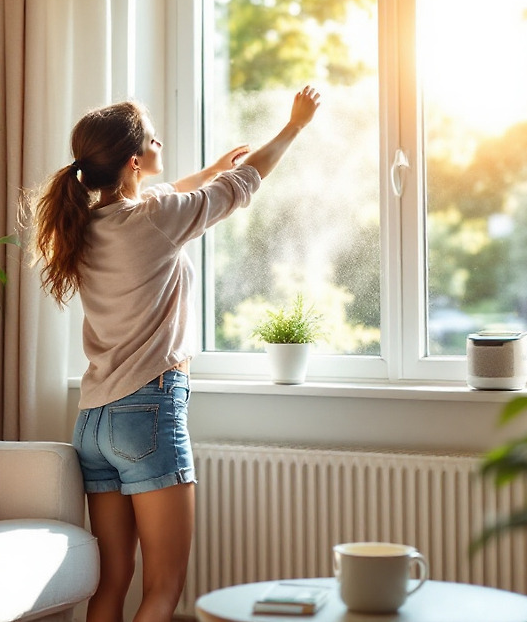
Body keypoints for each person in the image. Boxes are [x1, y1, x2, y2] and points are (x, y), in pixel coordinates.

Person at [29, 86, 320, 622]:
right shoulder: (156, 219)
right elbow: (244, 183)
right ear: (135, 161)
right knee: (165, 589)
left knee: (112, 584)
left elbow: (163, 198)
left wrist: (207, 169)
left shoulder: (86, 227)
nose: (162, 140)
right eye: (152, 135)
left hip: (94, 422)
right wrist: (293, 126)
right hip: (149, 413)